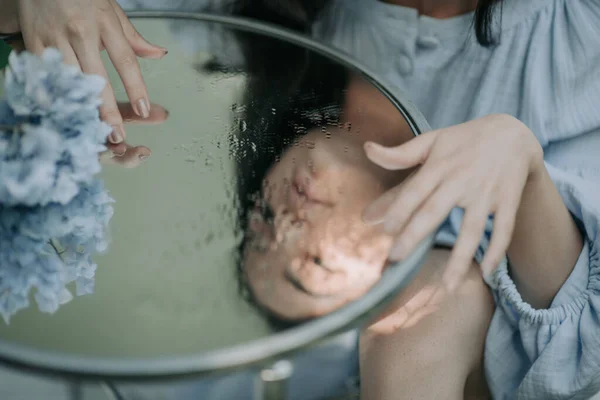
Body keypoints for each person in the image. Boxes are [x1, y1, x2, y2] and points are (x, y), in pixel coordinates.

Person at [2, 0, 598, 399]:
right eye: (312, 265)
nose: (286, 221)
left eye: (259, 219)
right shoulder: (447, 260)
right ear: (389, 260)